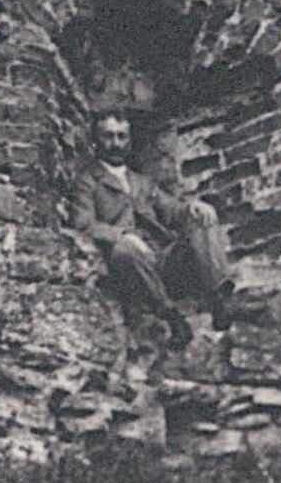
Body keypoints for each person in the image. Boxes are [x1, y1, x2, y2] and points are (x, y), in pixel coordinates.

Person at [73, 112, 234, 337]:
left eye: (121, 136)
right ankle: (172, 315)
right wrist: (121, 235)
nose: (116, 143)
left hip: (162, 257)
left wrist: (192, 207)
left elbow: (171, 209)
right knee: (124, 250)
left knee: (200, 216)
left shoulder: (142, 181)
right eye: (108, 136)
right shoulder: (88, 181)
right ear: (95, 140)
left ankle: (219, 298)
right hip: (131, 265)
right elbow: (84, 224)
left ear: (129, 140)